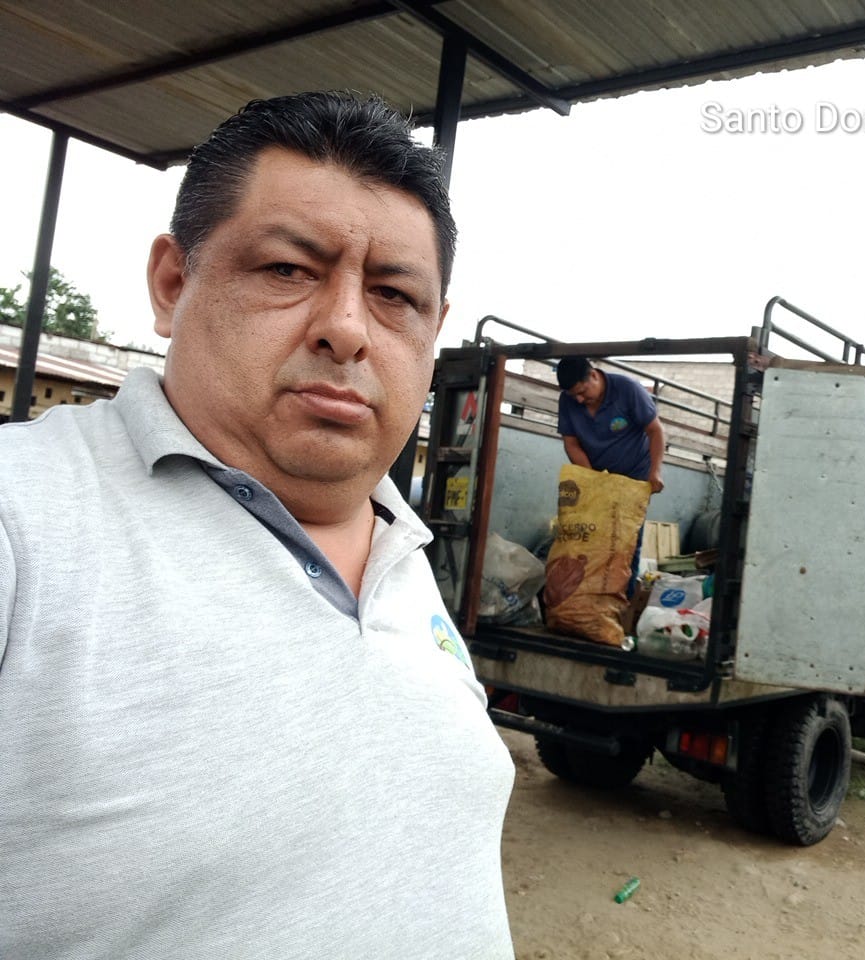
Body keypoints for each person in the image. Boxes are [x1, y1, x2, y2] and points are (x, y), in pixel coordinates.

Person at [0, 93, 515, 958]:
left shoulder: (401, 547)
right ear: (173, 283)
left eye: (394, 295)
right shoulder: (26, 520)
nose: (347, 328)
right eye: (288, 269)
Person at [556, 356, 665, 493]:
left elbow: (655, 431)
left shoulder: (628, 389)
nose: (579, 400)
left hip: (635, 474)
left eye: (582, 392)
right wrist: (591, 478)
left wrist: (655, 472)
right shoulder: (566, 401)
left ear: (593, 375)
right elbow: (572, 444)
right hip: (596, 473)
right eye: (573, 395)